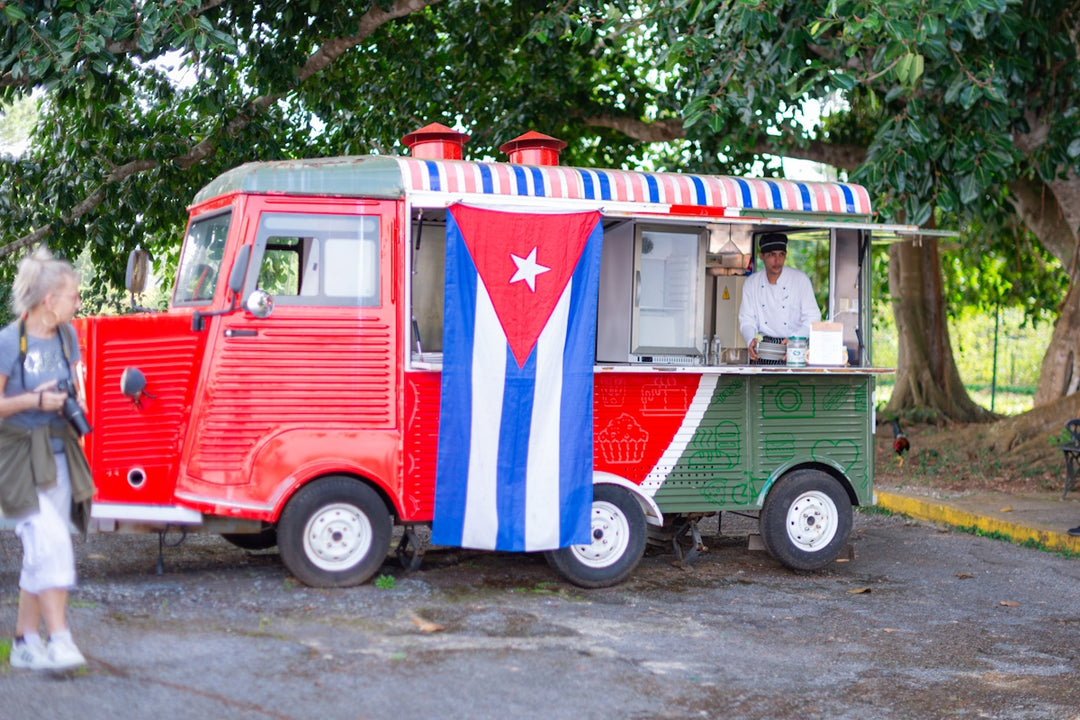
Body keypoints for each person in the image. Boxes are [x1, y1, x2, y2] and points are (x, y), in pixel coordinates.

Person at [0, 246, 94, 671]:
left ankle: (24, 642)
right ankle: (60, 639)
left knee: (41, 547)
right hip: (18, 454)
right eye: (73, 295)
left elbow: (76, 385)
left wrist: (73, 401)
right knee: (51, 540)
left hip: (59, 451)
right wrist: (35, 400)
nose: (78, 302)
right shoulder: (8, 340)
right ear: (48, 300)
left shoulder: (66, 336)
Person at [738, 232, 821, 364]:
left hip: (795, 347)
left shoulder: (800, 280)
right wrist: (750, 340)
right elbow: (747, 319)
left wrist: (795, 340)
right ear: (761, 256)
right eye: (771, 255)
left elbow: (813, 317)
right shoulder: (752, 283)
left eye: (781, 254)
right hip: (765, 349)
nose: (777, 260)